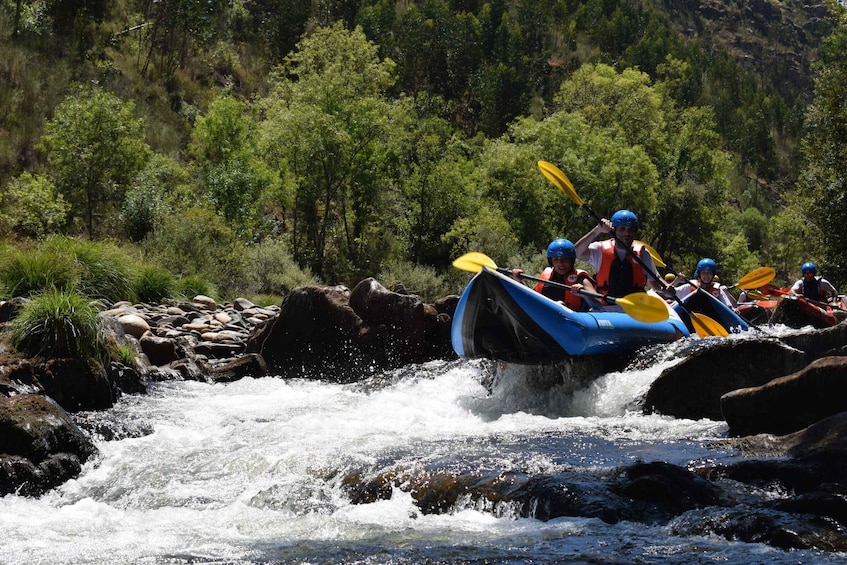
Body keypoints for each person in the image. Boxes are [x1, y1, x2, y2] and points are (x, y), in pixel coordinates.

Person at [574, 209, 666, 300]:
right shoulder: (599, 249)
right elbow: (577, 252)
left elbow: (655, 282)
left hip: (635, 308)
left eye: (630, 230)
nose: (627, 233)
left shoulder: (643, 253)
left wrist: (666, 287)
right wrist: (597, 230)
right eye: (622, 229)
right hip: (606, 307)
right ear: (614, 231)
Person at [513, 238, 598, 311]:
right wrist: (518, 281)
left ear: (571, 261)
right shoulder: (547, 275)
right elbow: (532, 297)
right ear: (551, 262)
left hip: (573, 319)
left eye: (565, 259)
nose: (561, 263)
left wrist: (584, 294)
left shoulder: (581, 278)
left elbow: (598, 305)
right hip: (547, 317)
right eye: (556, 260)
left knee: (560, 304)